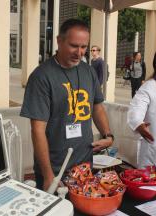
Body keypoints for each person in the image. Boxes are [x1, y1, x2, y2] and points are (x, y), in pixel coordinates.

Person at [20, 19, 114, 191]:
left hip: (85, 167)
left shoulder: (88, 71)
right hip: (56, 171)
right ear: (59, 40)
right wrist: (49, 176)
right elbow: (37, 130)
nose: (79, 52)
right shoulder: (41, 77)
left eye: (84, 47)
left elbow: (97, 107)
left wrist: (108, 135)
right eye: (73, 45)